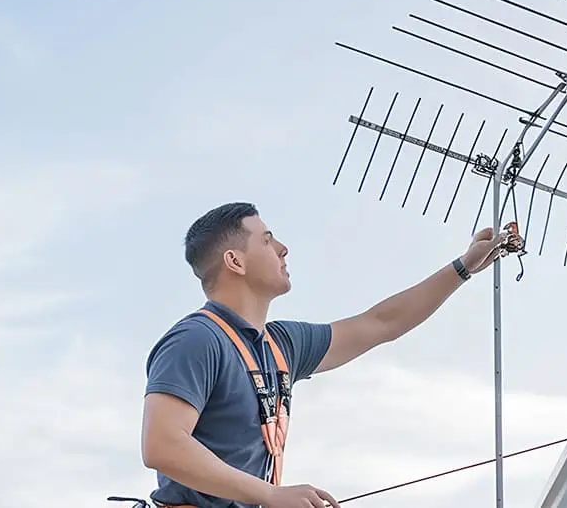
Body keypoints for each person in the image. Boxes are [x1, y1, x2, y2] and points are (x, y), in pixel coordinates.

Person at [140, 202, 512, 508]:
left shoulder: (281, 344)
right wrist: (270, 495)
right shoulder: (197, 340)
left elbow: (380, 323)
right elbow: (162, 445)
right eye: (267, 241)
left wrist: (463, 268)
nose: (283, 248)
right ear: (235, 262)